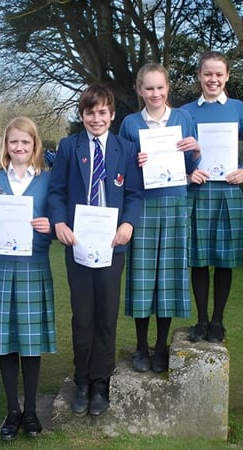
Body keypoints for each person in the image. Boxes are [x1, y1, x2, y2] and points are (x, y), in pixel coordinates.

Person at [47, 84, 144, 417]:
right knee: (83, 317)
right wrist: (59, 222)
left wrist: (128, 224)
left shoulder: (126, 149)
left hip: (112, 244)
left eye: (103, 112)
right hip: (77, 243)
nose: (97, 118)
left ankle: (101, 383)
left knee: (106, 316)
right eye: (90, 112)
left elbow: (133, 194)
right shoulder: (68, 147)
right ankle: (82, 381)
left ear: (112, 114)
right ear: (82, 114)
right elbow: (57, 191)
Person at [0, 117, 56, 440]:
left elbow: (59, 218)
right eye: (13, 142)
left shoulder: (47, 179)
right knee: (6, 343)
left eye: (26, 143)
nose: (19, 148)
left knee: (30, 344)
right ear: (5, 145)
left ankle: (31, 411)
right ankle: (12, 411)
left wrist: (51, 226)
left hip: (34, 266)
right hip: (2, 268)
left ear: (35, 146)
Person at [118, 62, 200, 373]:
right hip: (143, 206)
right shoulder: (129, 124)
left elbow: (192, 169)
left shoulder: (183, 118)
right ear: (140, 90)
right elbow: (122, 170)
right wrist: (133, 162)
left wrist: (195, 150)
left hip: (175, 204)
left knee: (167, 277)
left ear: (168, 89)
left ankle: (161, 345)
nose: (155, 93)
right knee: (142, 276)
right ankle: (141, 346)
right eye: (149, 88)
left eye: (160, 88)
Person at [182, 51, 243, 343]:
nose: (213, 79)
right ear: (199, 76)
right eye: (208, 74)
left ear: (227, 76)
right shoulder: (185, 113)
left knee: (224, 260)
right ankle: (202, 320)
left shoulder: (238, 109)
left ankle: (218, 321)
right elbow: (172, 152)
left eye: (219, 74)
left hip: (228, 192)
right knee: (199, 259)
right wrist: (189, 172)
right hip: (198, 192)